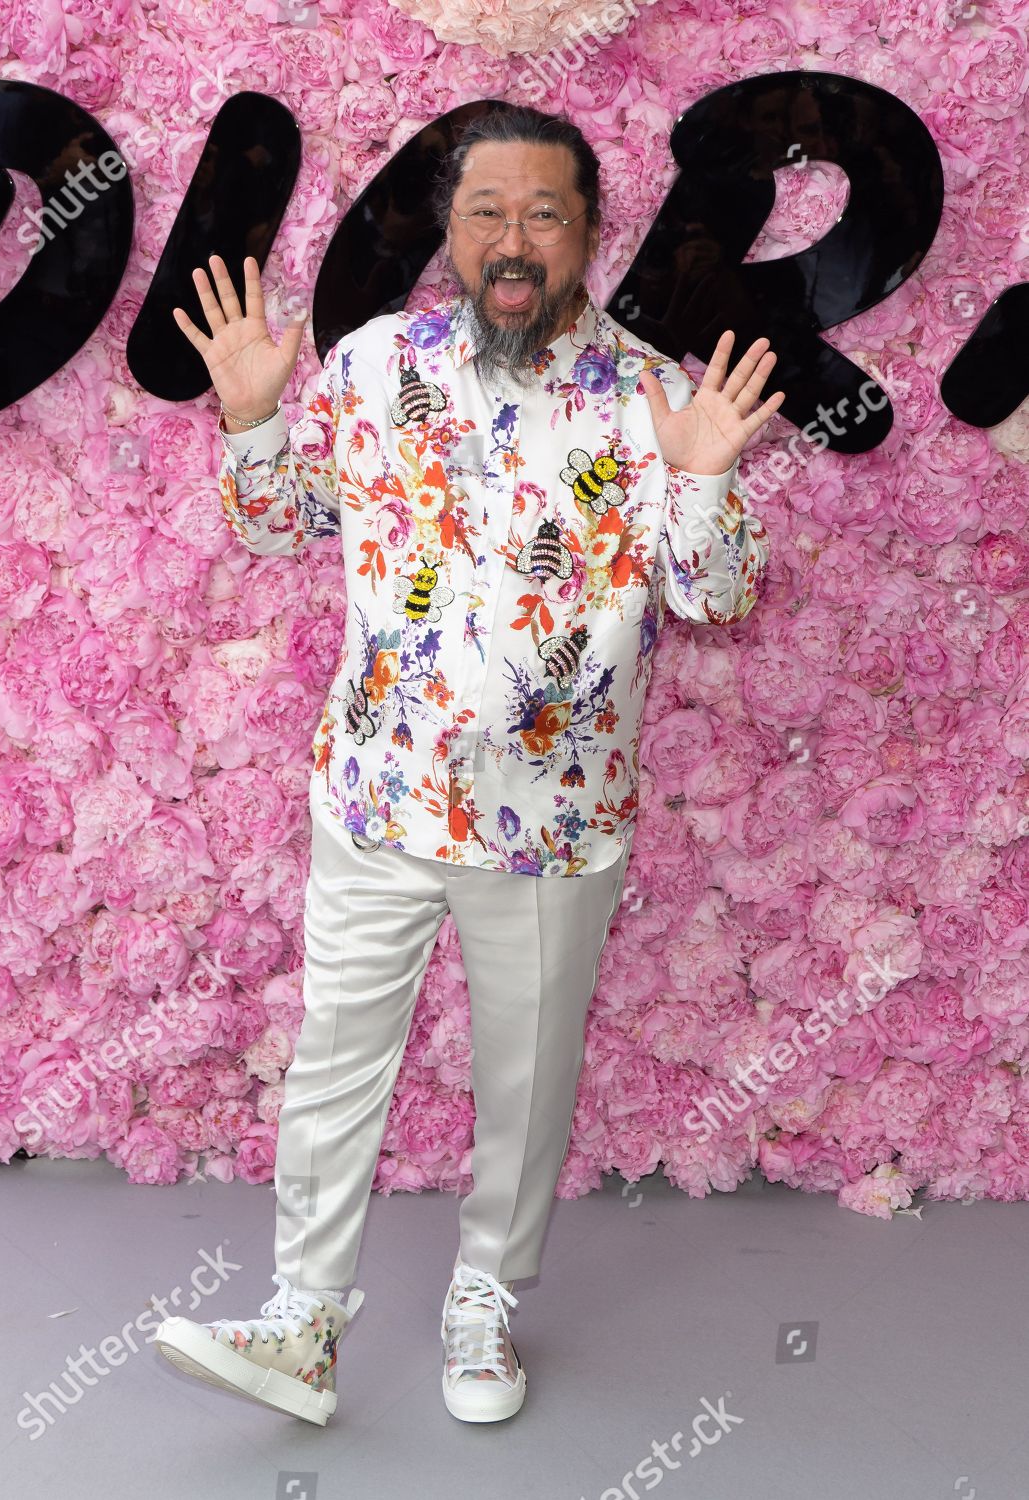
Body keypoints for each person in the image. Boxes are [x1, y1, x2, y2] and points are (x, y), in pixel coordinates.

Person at [153, 105, 783, 1427]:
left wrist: (708, 482)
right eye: (486, 211)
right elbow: (281, 530)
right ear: (449, 228)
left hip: (552, 826)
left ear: (589, 233)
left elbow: (712, 592)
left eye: (543, 213)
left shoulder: (650, 393)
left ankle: (483, 1302)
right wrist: (253, 421)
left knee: (524, 1079)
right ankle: (303, 1324)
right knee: (333, 1061)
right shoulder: (377, 363)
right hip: (377, 793)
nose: (513, 241)